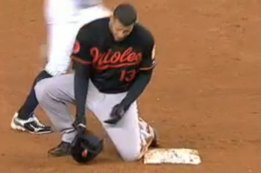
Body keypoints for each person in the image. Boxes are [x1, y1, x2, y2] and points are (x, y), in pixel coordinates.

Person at [34, 3, 159, 161]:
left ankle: (143, 130)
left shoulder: (144, 39)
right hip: (90, 86)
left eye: (126, 31)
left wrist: (124, 105)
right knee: (43, 89)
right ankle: (70, 136)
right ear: (112, 19)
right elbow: (81, 75)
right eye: (118, 29)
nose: (120, 35)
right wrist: (80, 115)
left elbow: (145, 75)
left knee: (131, 155)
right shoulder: (90, 33)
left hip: (118, 96)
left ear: (133, 26)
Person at [11, 0, 111, 134]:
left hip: (80, 9)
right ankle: (24, 116)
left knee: (114, 28)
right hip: (66, 12)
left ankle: (115, 107)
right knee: (57, 67)